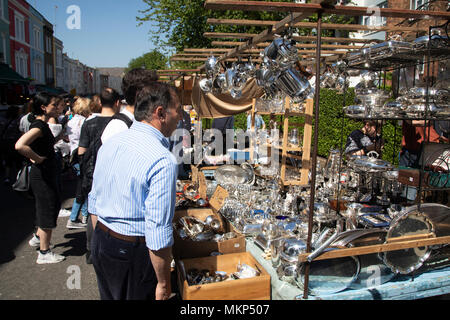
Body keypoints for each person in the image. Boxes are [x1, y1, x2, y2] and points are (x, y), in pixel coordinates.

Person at [89, 82, 181, 300]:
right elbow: (158, 232)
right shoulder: (162, 160)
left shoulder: (112, 142)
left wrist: (102, 240)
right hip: (130, 251)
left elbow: (94, 201)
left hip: (102, 240)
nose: (180, 117)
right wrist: (163, 283)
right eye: (178, 109)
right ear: (161, 113)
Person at [15, 92, 65, 264]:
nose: (58, 108)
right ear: (44, 107)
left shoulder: (41, 125)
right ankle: (44, 252)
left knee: (50, 205)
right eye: (54, 105)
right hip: (42, 173)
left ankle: (38, 238)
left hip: (45, 172)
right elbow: (20, 145)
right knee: (47, 209)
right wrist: (37, 158)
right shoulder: (39, 125)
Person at [78, 88, 120, 263]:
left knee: (93, 210)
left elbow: (81, 151)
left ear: (100, 102)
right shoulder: (121, 123)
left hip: (92, 173)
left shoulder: (89, 123)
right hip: (115, 174)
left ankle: (93, 249)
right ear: (117, 102)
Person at [101, 68, 158, 143]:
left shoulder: (141, 121)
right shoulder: (118, 127)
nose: (157, 95)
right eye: (154, 91)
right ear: (140, 94)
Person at [65, 97, 92, 229]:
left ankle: (79, 216)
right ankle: (79, 216)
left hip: (73, 156)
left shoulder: (71, 121)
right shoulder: (84, 122)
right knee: (84, 188)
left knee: (82, 187)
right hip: (83, 157)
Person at [0, 106, 23, 185]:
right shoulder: (18, 121)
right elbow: (20, 131)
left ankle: (7, 177)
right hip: (15, 142)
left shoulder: (4, 120)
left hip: (5, 142)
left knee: (8, 160)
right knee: (18, 161)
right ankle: (18, 178)